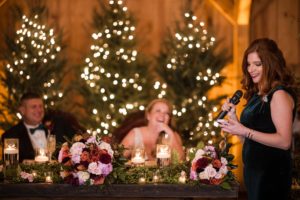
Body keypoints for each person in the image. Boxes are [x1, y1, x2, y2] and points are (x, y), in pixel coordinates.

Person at [218, 38, 297, 200]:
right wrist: (234, 118)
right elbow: (247, 140)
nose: (251, 69)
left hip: (272, 176)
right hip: (255, 175)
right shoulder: (257, 95)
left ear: (271, 64)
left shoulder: (279, 95)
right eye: (248, 64)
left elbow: (284, 142)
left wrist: (244, 130)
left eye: (257, 64)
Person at [1, 92, 78, 162]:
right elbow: (11, 166)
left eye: (41, 106)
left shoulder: (58, 126)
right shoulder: (11, 135)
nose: (39, 110)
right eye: (34, 107)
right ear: (22, 110)